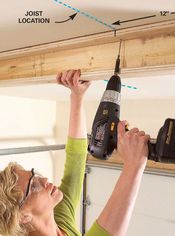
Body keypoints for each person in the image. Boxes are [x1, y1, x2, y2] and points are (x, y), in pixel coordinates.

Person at [0, 69, 149, 236]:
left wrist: (77, 97)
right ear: (22, 216)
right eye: (33, 186)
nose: (44, 179)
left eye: (35, 175)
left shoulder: (59, 217)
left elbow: (76, 160)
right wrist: (133, 164)